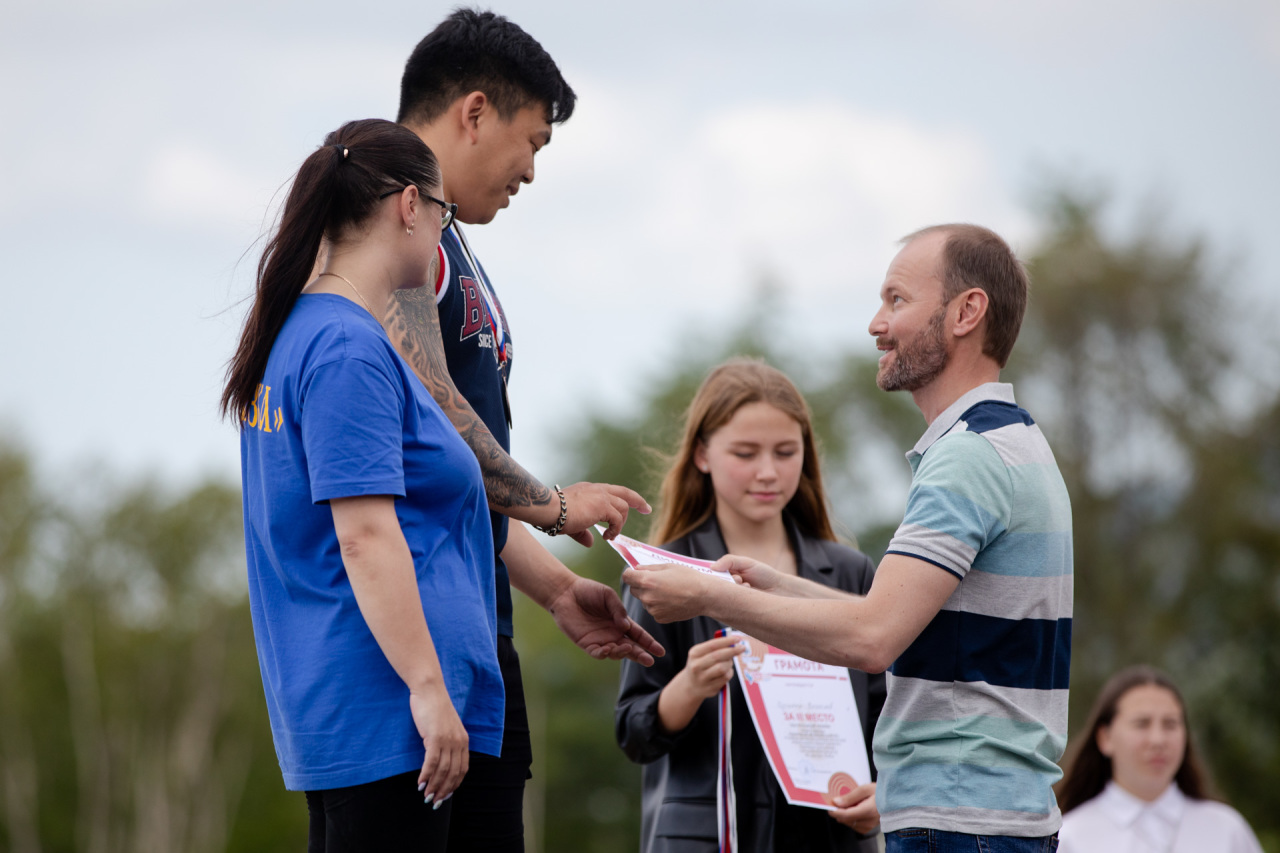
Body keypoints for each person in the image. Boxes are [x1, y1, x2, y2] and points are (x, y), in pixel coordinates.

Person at [624, 225, 1074, 852]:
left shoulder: (967, 458)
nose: (875, 324)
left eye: (896, 300)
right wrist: (781, 586)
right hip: (981, 816)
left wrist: (711, 599)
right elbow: (900, 623)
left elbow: (872, 639)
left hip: (960, 821)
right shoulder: (1012, 444)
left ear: (967, 312)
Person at [382, 10, 663, 850]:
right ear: (474, 112)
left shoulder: (447, 236)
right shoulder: (388, 221)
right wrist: (553, 503)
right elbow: (428, 407)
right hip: (416, 636)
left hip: (479, 623)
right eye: (532, 141)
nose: (532, 171)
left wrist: (552, 587)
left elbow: (453, 478)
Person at [223, 119, 499, 850]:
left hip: (370, 711)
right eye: (442, 215)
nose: (442, 233)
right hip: (387, 718)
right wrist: (428, 688)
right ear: (410, 205)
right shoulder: (345, 346)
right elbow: (364, 534)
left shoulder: (312, 331)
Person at [615, 358, 886, 853]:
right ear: (702, 454)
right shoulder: (663, 574)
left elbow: (889, 720)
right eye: (745, 452)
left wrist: (884, 794)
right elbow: (634, 733)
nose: (767, 472)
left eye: (786, 452)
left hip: (831, 838)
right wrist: (689, 687)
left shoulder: (852, 574)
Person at [1056, 666, 1263, 852]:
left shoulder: (1227, 830)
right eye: (1142, 723)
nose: (1158, 740)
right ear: (1105, 738)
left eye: (1170, 724)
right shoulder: (1070, 837)